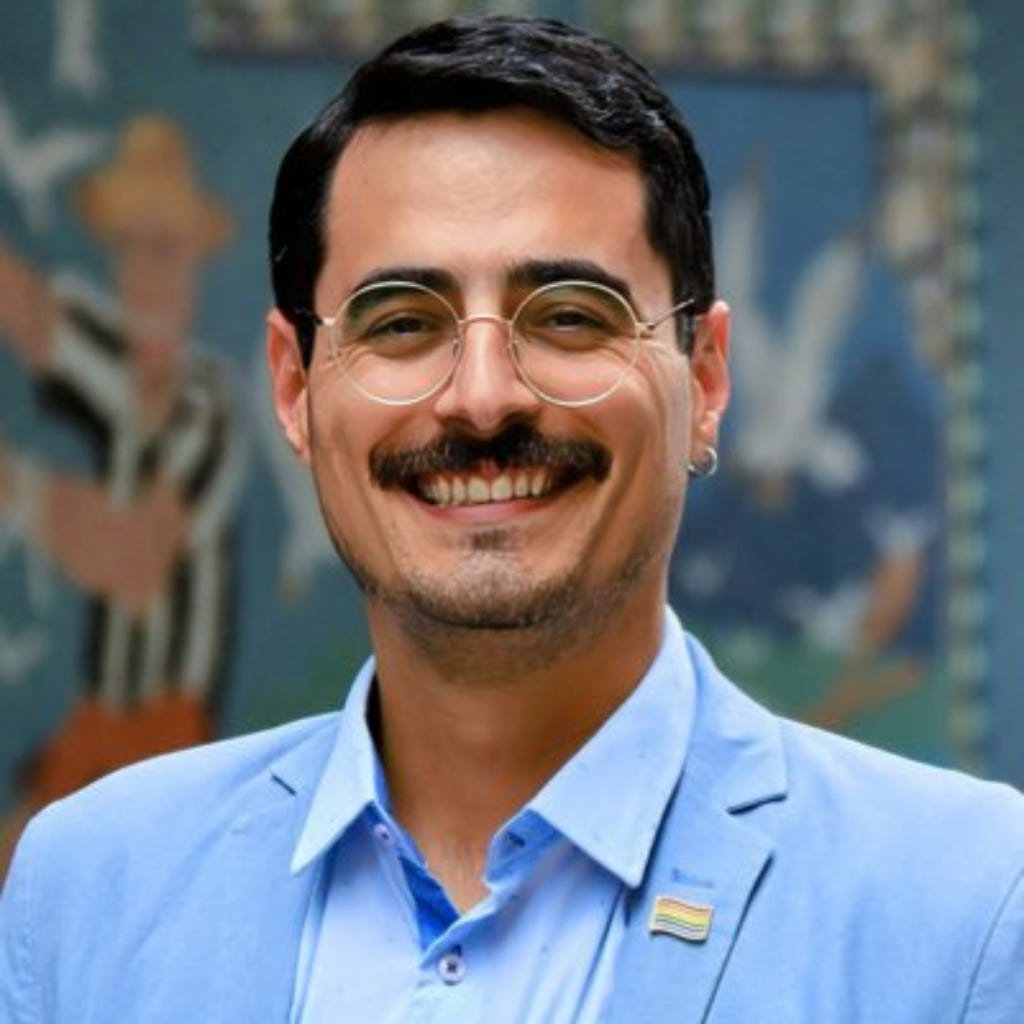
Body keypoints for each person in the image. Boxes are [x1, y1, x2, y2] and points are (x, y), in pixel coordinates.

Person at [2, 16, 1023, 1023]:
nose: (483, 398)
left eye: (570, 316)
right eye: (403, 322)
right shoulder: (85, 894)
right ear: (294, 388)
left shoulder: (970, 909)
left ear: (705, 380)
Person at [0, 117, 243, 871]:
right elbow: (35, 316)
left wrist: (19, 487)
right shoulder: (127, 381)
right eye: (127, 249)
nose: (143, 277)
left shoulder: (206, 407)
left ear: (195, 261)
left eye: (162, 251)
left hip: (165, 737)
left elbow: (132, 560)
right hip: (98, 726)